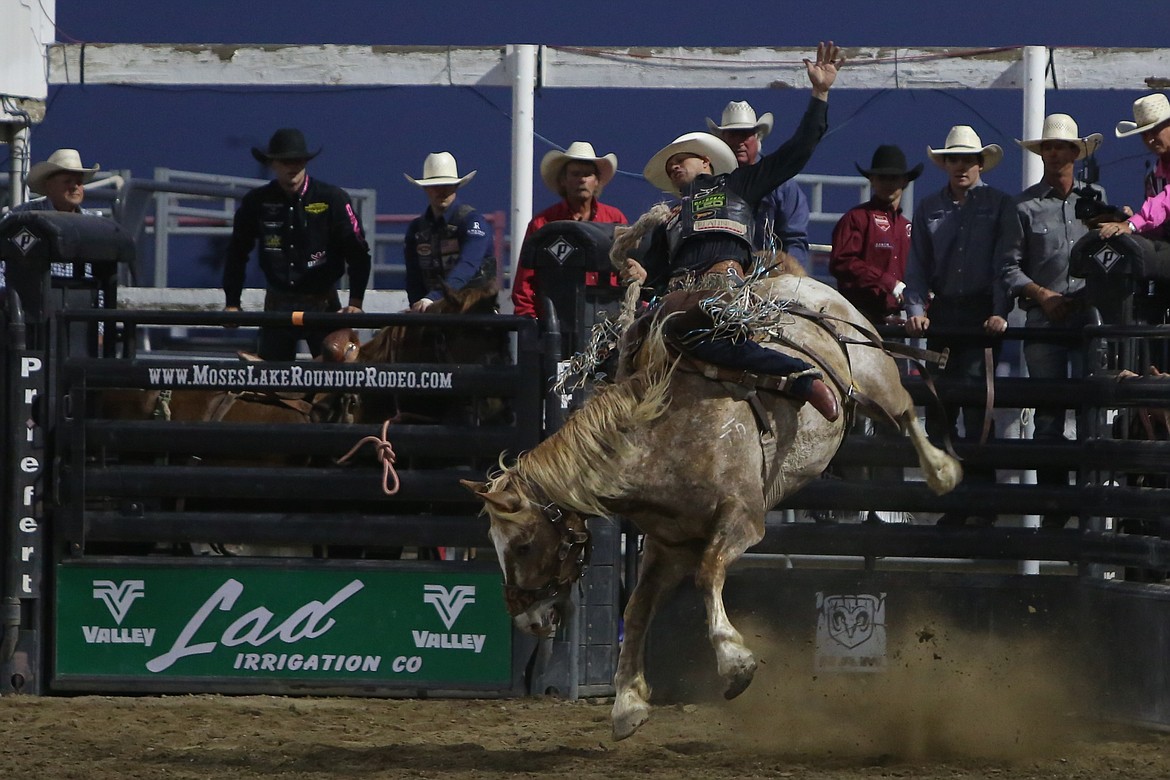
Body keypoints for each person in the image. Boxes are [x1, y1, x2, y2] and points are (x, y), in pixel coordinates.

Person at [622, 41, 843, 422]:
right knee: (616, 356)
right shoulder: (668, 219)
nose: (674, 167)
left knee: (694, 334)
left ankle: (800, 378)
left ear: (706, 162)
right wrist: (639, 277)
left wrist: (819, 94)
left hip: (720, 290)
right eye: (669, 164)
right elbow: (652, 279)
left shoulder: (738, 186)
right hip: (676, 300)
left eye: (681, 160)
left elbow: (797, 151)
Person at [904, 125, 1022, 527]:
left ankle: (982, 501)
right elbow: (917, 265)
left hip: (979, 316)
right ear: (946, 164)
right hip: (943, 315)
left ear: (980, 164)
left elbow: (1006, 263)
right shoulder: (928, 208)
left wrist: (1000, 310)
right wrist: (916, 309)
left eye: (968, 160)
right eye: (954, 159)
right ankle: (956, 501)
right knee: (939, 410)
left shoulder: (999, 205)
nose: (961, 166)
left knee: (978, 411)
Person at [1003, 113, 1104, 529]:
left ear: (1075, 153)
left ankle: (1085, 501)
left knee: (1089, 410)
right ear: (1043, 153)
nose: (1056, 152)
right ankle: (1054, 506)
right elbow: (1009, 268)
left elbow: (1107, 253)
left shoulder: (1096, 198)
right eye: (1049, 147)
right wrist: (1044, 296)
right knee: (1047, 411)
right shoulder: (1023, 206)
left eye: (1062, 146)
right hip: (1044, 320)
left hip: (1087, 318)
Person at [223, 128, 370, 361]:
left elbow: (358, 250)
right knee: (270, 385)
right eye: (285, 161)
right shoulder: (257, 202)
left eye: (298, 161)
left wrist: (355, 302)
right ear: (272, 163)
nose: (292, 167)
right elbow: (237, 251)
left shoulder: (332, 198)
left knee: (333, 381)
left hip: (321, 304)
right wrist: (232, 302)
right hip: (277, 307)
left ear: (306, 163)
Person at [511, 141, 628, 317]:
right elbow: (525, 281)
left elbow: (630, 268)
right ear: (563, 181)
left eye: (587, 174)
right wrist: (530, 322)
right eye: (575, 174)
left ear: (596, 181)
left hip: (607, 318)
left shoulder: (615, 219)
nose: (582, 179)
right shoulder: (542, 223)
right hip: (556, 319)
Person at [707, 101, 812, 266]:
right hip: (722, 271)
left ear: (757, 137)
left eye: (745, 134)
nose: (739, 141)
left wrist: (791, 274)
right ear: (723, 140)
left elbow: (794, 240)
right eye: (733, 134)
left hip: (771, 274)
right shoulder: (711, 183)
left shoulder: (784, 187)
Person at [829, 144, 922, 327]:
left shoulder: (908, 227)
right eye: (882, 177)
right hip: (858, 320)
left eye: (894, 178)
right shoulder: (856, 219)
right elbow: (841, 262)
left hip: (898, 323)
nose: (888, 183)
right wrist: (889, 283)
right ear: (872, 180)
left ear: (904, 181)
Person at [403, 151, 495, 312]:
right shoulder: (416, 229)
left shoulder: (472, 222)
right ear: (426, 189)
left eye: (447, 185)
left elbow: (468, 265)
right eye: (434, 186)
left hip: (475, 309)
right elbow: (414, 277)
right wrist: (417, 306)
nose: (441, 190)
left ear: (456, 186)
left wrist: (431, 298)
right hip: (432, 309)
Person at [8, 148, 104, 279]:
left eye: (79, 182)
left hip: (81, 297)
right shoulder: (23, 218)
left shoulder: (94, 225)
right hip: (32, 296)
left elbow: (102, 274)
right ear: (49, 186)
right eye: (67, 181)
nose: (75, 187)